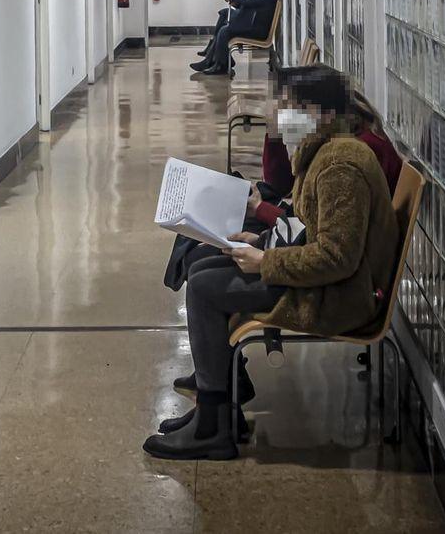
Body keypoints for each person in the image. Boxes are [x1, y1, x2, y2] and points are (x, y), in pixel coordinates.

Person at [145, 65, 399, 460]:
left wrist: (266, 261)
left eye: (290, 105)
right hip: (327, 282)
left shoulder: (340, 165)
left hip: (339, 296)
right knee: (203, 267)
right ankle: (220, 405)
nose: (280, 113)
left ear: (322, 114)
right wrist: (261, 241)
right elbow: (308, 228)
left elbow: (337, 258)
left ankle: (213, 425)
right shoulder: (324, 152)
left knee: (206, 287)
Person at [191, 0, 279, 76]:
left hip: (257, 31)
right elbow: (250, 4)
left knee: (224, 31)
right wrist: (236, 2)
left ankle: (220, 65)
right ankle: (213, 60)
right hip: (252, 25)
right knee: (225, 17)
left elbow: (249, 2)